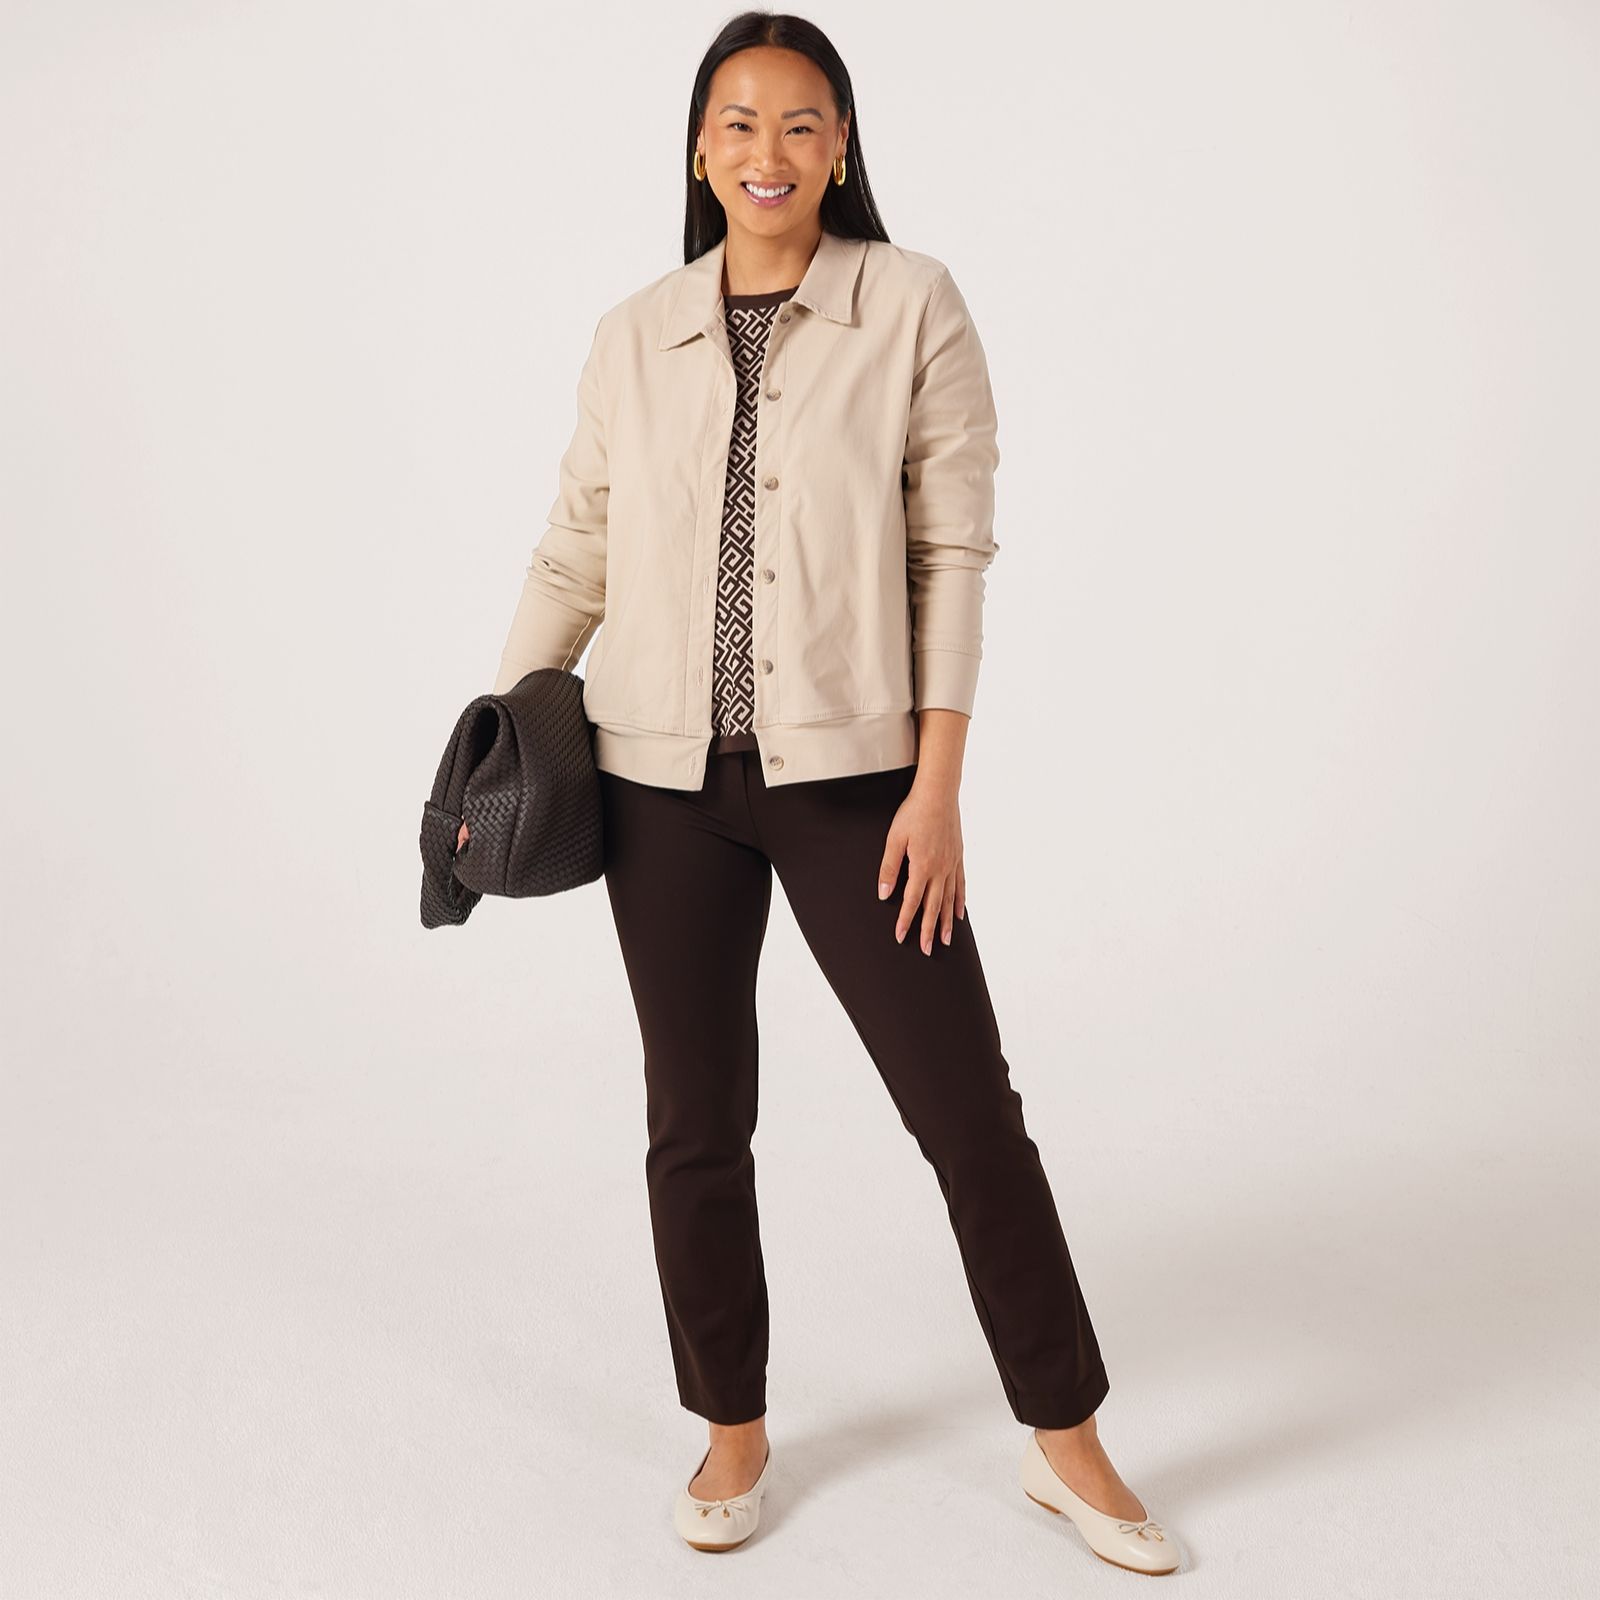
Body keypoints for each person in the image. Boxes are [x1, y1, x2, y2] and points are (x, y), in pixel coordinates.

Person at [462, 11, 1182, 1576]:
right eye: (738, 122)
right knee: (694, 1122)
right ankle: (732, 1425)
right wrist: (497, 739)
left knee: (968, 1114)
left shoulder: (911, 302)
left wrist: (939, 787)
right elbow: (575, 551)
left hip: (858, 789)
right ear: (699, 147)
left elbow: (951, 554)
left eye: (800, 123)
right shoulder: (633, 333)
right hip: (656, 787)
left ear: (841, 145)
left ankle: (1065, 1439)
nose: (767, 151)